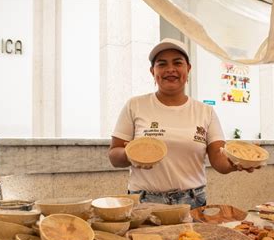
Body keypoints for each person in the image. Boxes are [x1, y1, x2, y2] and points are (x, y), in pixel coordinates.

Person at [108, 38, 257, 209]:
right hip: (144, 204)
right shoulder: (135, 105)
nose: (170, 69)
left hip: (193, 203)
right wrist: (130, 154)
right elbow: (114, 155)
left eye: (177, 63)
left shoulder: (205, 111)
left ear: (188, 68)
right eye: (162, 64)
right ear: (152, 71)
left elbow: (219, 159)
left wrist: (237, 162)